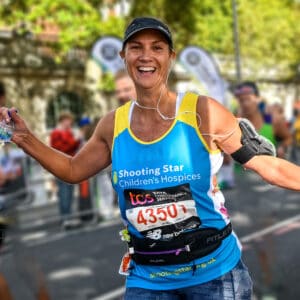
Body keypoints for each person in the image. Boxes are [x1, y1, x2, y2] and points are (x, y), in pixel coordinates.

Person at [2, 17, 300, 299]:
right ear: (124, 56)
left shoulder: (202, 112)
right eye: (136, 48)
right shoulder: (112, 125)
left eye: (157, 48)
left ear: (171, 57)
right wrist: (24, 138)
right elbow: (71, 169)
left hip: (214, 276)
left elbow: (268, 166)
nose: (146, 56)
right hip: (148, 278)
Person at [233, 81, 292, 158]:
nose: (245, 104)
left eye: (248, 99)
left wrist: (283, 147)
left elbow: (288, 138)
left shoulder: (272, 120)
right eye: (241, 100)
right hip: (239, 169)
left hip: (269, 169)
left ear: (258, 99)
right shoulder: (234, 122)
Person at [49, 112, 80, 228]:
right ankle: (65, 218)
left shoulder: (69, 132)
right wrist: (76, 140)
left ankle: (69, 217)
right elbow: (60, 149)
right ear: (63, 120)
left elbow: (73, 147)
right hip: (61, 165)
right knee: (64, 193)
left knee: (70, 192)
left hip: (71, 165)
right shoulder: (56, 133)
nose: (70, 123)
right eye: (68, 120)